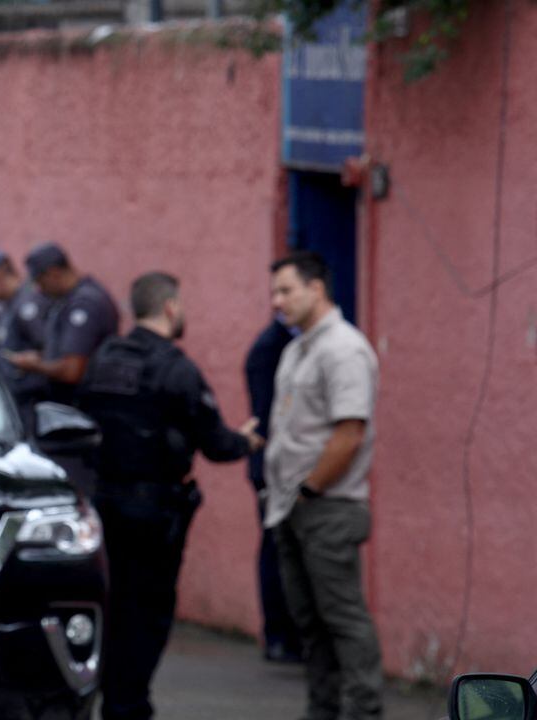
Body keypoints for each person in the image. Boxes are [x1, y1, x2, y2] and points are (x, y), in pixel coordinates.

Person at [78, 272, 263, 720]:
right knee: (149, 612)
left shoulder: (104, 358)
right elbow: (215, 443)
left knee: (114, 605)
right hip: (154, 513)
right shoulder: (176, 368)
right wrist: (246, 441)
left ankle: (111, 698)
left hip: (105, 504)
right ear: (170, 308)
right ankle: (129, 705)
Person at [264, 251, 382, 720]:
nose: (278, 301)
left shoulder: (344, 349)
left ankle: (363, 710)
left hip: (329, 506)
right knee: (309, 623)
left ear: (317, 289)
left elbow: (349, 433)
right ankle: (323, 709)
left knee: (343, 618)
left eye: (286, 290)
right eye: (274, 292)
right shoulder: (298, 348)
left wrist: (310, 489)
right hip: (293, 507)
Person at [243, 314, 304, 663]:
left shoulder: (293, 344)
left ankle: (287, 634)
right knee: (276, 548)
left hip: (282, 465)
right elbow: (267, 416)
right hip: (272, 467)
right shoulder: (271, 348)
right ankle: (279, 635)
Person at [3, 242, 119, 406]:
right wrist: (42, 356)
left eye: (40, 281)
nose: (39, 289)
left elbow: (72, 371)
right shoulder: (69, 298)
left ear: (54, 274)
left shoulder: (84, 303)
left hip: (84, 404)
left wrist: (35, 365)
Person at [0, 250, 51, 429]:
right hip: (16, 402)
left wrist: (32, 362)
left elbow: (49, 351)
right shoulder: (9, 306)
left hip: (32, 401)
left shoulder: (27, 305)